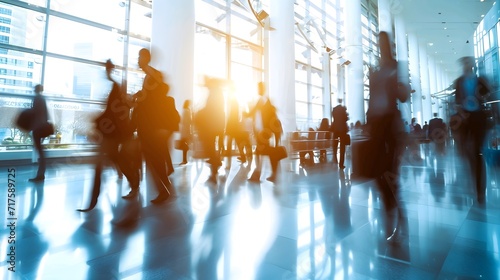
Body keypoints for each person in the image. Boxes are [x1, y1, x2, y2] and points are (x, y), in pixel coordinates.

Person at [78, 60, 139, 211]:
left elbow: (111, 113)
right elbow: (109, 112)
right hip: (110, 134)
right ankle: (93, 201)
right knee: (108, 162)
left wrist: (97, 123)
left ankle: (94, 201)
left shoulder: (117, 92)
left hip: (112, 135)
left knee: (108, 163)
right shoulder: (116, 91)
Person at [366, 31, 410, 239]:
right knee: (376, 171)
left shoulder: (394, 67)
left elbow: (402, 96)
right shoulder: (375, 70)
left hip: (389, 125)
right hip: (375, 125)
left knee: (389, 170)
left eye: (383, 42)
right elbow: (372, 99)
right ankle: (393, 208)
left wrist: (402, 88)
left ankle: (392, 212)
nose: (381, 45)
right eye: (379, 42)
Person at [132, 48, 174, 204]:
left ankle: (163, 189)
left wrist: (145, 67)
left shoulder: (154, 75)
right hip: (147, 124)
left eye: (140, 57)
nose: (138, 60)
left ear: (146, 58)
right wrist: (137, 96)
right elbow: (147, 97)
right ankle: (164, 186)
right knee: (153, 158)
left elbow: (158, 81)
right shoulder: (148, 78)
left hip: (151, 124)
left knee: (152, 158)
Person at [453, 56, 491, 203]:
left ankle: (480, 190)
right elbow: (457, 101)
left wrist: (480, 96)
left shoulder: (480, 80)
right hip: (465, 119)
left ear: (472, 65)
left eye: (469, 63)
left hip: (478, 119)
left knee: (477, 152)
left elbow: (487, 94)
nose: (467, 65)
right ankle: (474, 179)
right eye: (465, 63)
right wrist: (462, 113)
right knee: (468, 153)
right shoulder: (459, 82)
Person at [245, 82, 282, 182]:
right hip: (264, 131)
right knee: (265, 151)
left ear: (262, 89)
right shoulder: (263, 101)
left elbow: (256, 113)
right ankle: (270, 174)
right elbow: (254, 113)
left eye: (259, 88)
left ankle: (258, 174)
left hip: (266, 132)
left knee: (262, 151)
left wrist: (246, 114)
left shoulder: (263, 100)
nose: (258, 90)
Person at [194, 76, 226, 183]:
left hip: (213, 125)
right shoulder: (217, 93)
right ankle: (215, 165)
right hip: (216, 125)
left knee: (210, 146)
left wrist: (199, 113)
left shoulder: (215, 93)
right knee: (211, 146)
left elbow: (211, 109)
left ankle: (215, 167)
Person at [29, 84, 50, 182]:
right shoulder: (43, 99)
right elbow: (46, 115)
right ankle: (41, 174)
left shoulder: (37, 98)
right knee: (40, 151)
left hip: (37, 127)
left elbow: (34, 113)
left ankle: (40, 175)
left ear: (36, 90)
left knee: (40, 151)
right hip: (41, 127)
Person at [331, 99, 349, 169]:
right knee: (342, 147)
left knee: (334, 145)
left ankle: (335, 160)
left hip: (335, 128)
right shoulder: (343, 109)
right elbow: (345, 119)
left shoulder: (334, 109)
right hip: (342, 129)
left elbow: (334, 118)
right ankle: (341, 164)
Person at [179, 99, 192, 165]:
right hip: (186, 130)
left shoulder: (184, 110)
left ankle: (184, 160)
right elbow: (189, 121)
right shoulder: (187, 111)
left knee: (184, 146)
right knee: (185, 146)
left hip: (183, 130)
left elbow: (183, 121)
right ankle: (185, 160)